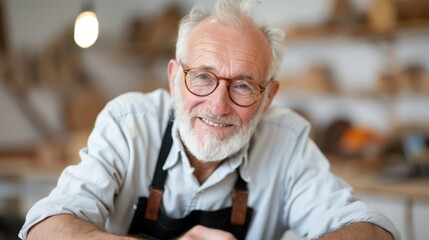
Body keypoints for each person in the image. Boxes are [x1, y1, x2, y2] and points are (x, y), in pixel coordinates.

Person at [19, 0, 401, 239]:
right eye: (202, 76)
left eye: (244, 86)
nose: (217, 106)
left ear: (268, 97)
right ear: (173, 78)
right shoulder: (128, 123)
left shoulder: (286, 140)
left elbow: (372, 230)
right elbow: (45, 227)